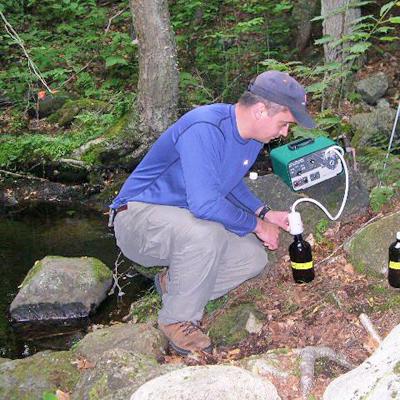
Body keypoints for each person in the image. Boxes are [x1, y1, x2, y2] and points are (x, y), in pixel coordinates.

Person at [109, 70, 315, 356]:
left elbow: (228, 184)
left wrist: (265, 213)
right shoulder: (205, 128)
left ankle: (174, 283)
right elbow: (205, 203)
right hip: (137, 218)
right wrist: (256, 225)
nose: (284, 133)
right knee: (206, 232)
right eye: (283, 124)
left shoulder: (252, 138)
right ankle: (177, 320)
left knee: (252, 258)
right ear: (259, 111)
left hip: (183, 222)